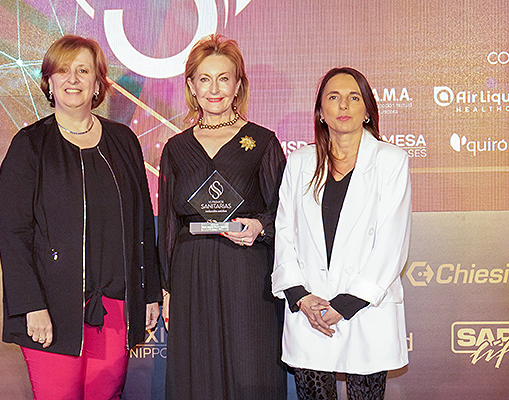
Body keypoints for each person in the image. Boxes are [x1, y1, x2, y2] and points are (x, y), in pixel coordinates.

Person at [0, 35, 161, 400]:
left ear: (98, 82)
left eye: (83, 70)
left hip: (115, 308)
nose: (73, 79)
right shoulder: (30, 145)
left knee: (106, 395)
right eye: (63, 71)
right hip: (51, 310)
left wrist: (148, 294)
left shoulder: (123, 141)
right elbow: (13, 232)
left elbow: (143, 224)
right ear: (49, 82)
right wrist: (31, 306)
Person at [158, 34, 287, 400]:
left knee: (252, 367)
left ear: (238, 85)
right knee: (195, 375)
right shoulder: (176, 148)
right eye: (204, 78)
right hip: (191, 271)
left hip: (247, 270)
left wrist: (261, 226)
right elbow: (168, 220)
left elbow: (287, 214)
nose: (214, 88)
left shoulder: (263, 142)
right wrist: (167, 286)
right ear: (191, 87)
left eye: (224, 78)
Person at [272, 67, 411, 400]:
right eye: (333, 97)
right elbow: (284, 233)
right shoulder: (300, 162)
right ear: (321, 111)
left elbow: (392, 242)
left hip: (366, 309)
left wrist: (348, 303)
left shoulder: (391, 161)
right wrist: (300, 296)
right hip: (311, 310)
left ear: (367, 111)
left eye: (354, 97)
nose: (344, 105)